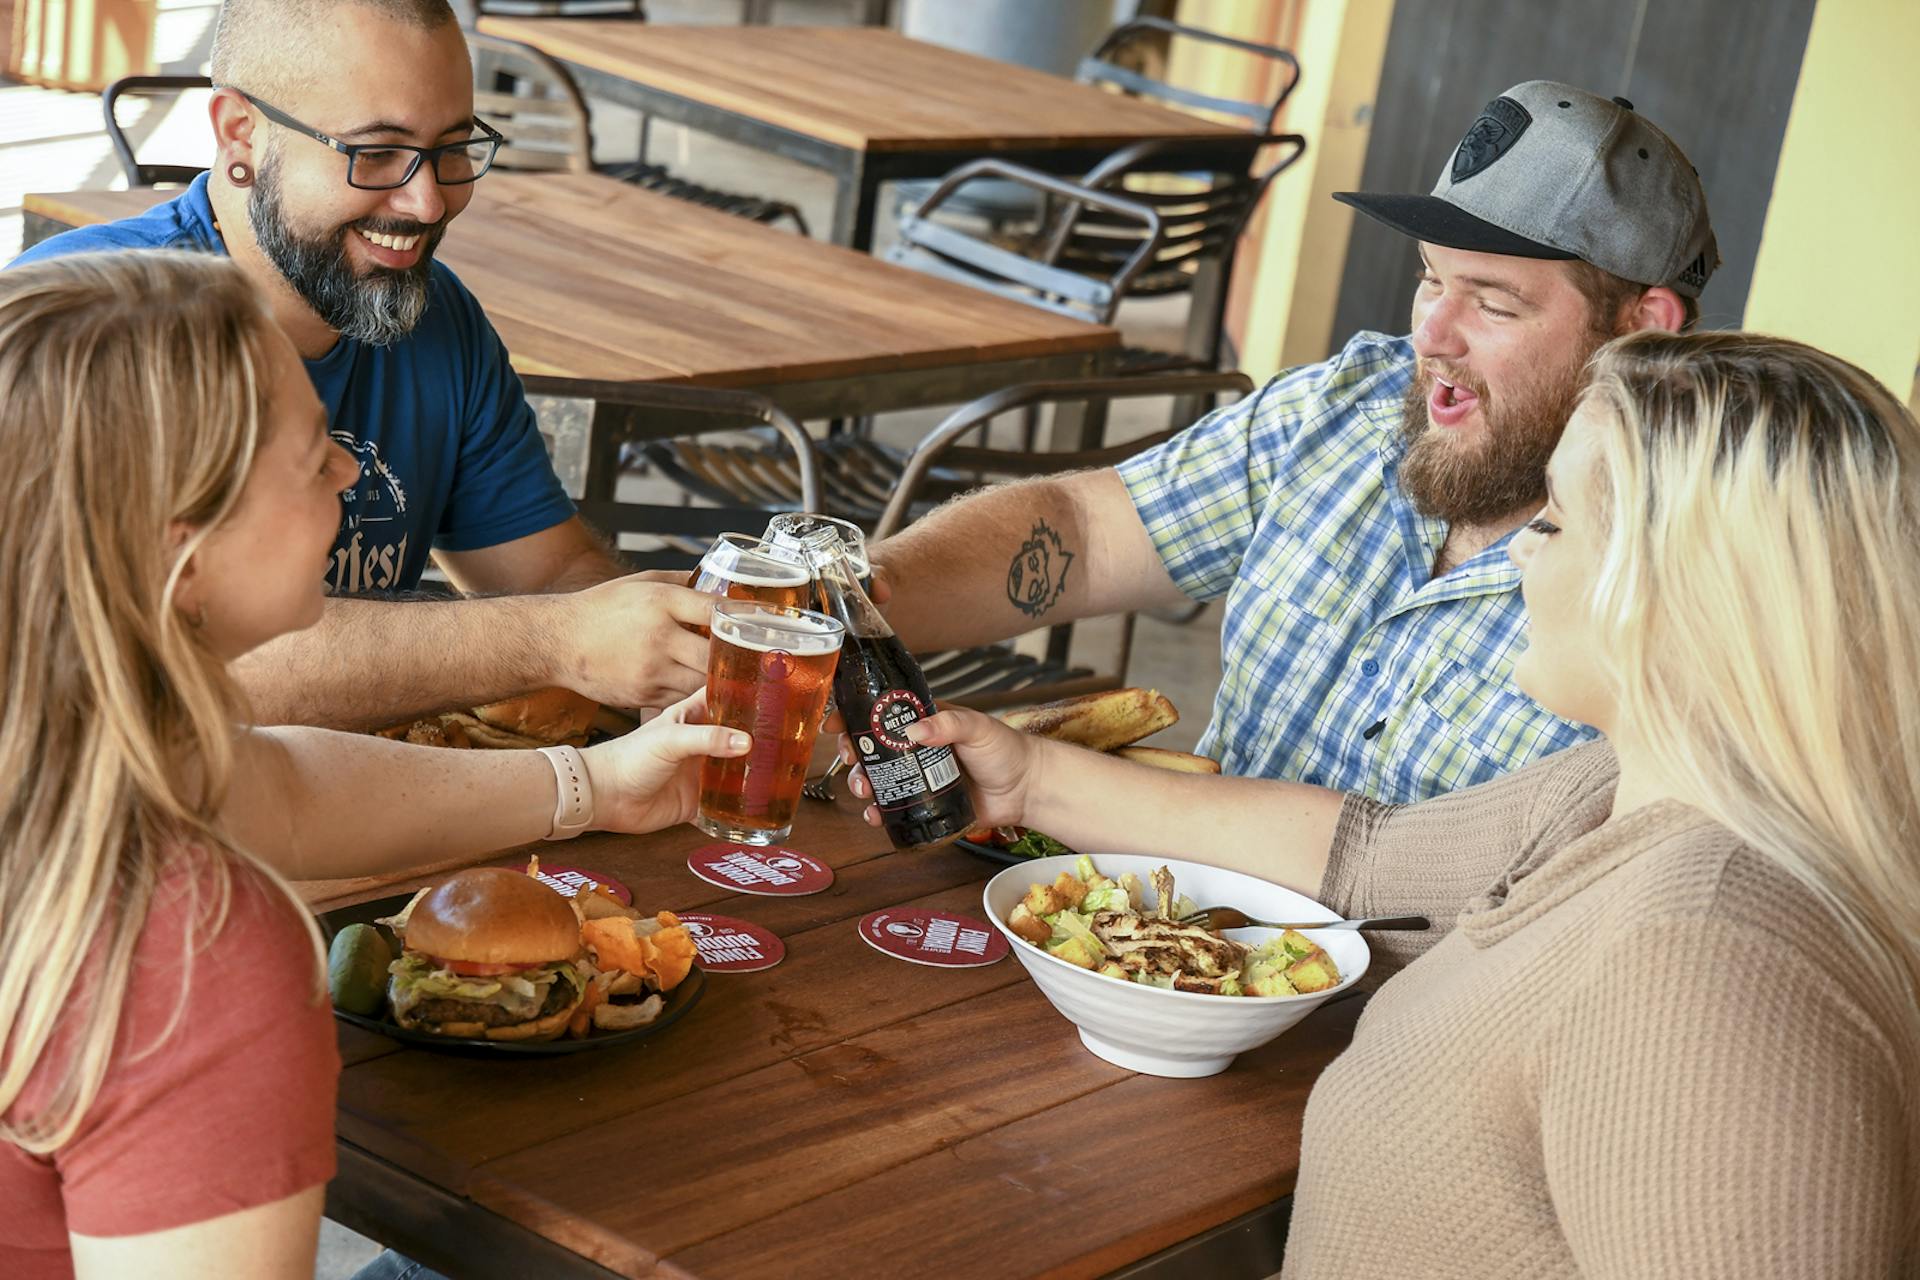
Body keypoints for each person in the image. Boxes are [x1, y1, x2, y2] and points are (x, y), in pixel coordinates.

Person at [863, 331, 1918, 1275]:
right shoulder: (1627, 786)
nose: (1515, 555)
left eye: (1552, 522)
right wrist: (1028, 776)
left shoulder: (1705, 959)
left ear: (1667, 586)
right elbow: (1363, 858)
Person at [0, 251, 752, 1279]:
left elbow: (276, 784)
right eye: (315, 458)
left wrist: (597, 783)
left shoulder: (66, 752)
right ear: (185, 553)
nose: (353, 472)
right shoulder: (192, 955)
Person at [869, 81, 1720, 803]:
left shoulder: (1696, 584)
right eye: (1430, 279)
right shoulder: (1352, 406)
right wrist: (864, 603)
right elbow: (1086, 535)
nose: (1432, 335)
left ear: (1639, 328)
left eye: (1494, 302)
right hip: (1169, 945)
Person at [9, 0, 713, 731]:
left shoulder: (439, 318)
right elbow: (177, 668)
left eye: (452, 148)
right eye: (375, 153)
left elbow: (555, 578)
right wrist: (554, 641)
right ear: (240, 131)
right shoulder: (93, 328)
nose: (428, 199)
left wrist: (665, 646)